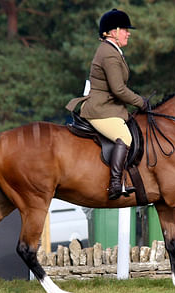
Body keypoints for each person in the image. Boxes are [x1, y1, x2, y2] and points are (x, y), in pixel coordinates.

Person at [66, 8, 149, 200]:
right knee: (124, 137)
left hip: (109, 107)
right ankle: (115, 184)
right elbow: (118, 89)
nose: (128, 33)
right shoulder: (109, 54)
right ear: (112, 32)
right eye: (125, 29)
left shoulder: (112, 51)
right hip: (100, 109)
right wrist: (141, 102)